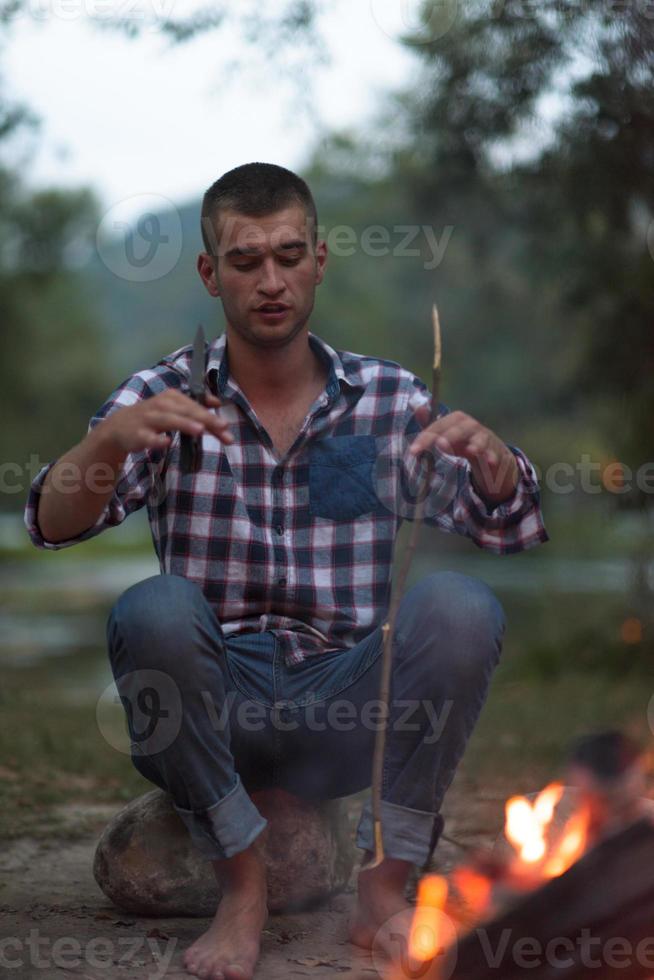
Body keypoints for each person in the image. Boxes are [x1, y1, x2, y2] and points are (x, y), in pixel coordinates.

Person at [24, 162, 548, 980]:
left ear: (319, 260)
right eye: (245, 261)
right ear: (210, 273)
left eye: (288, 255)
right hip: (211, 709)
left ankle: (383, 887)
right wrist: (106, 442)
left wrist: (497, 469)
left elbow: (511, 528)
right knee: (153, 607)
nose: (270, 280)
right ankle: (242, 885)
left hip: (345, 711)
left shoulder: (385, 399)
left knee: (460, 605)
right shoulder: (162, 394)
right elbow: (49, 524)